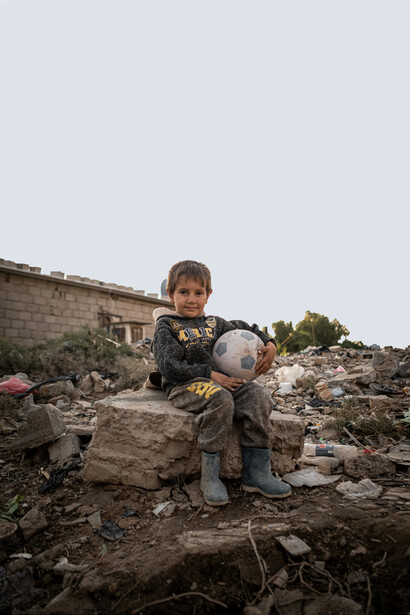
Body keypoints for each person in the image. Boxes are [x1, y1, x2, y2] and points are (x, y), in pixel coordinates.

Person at [152, 260, 291, 506]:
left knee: (258, 396)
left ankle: (256, 473)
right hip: (186, 385)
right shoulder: (167, 326)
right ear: (171, 294)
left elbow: (246, 327)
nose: (191, 299)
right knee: (220, 398)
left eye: (198, 292)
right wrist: (210, 374)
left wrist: (270, 344)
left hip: (221, 382)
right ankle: (210, 475)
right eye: (183, 292)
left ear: (208, 295)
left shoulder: (214, 324)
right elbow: (169, 367)